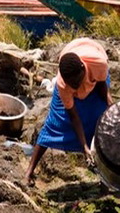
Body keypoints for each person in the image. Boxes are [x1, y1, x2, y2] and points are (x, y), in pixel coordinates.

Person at [24, 38, 113, 185]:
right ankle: (29, 172)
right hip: (72, 82)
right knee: (54, 123)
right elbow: (73, 116)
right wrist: (84, 147)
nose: (76, 88)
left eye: (77, 83)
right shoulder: (63, 84)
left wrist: (110, 106)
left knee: (101, 122)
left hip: (96, 81)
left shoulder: (98, 63)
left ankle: (105, 178)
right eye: (72, 85)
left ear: (83, 69)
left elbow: (102, 86)